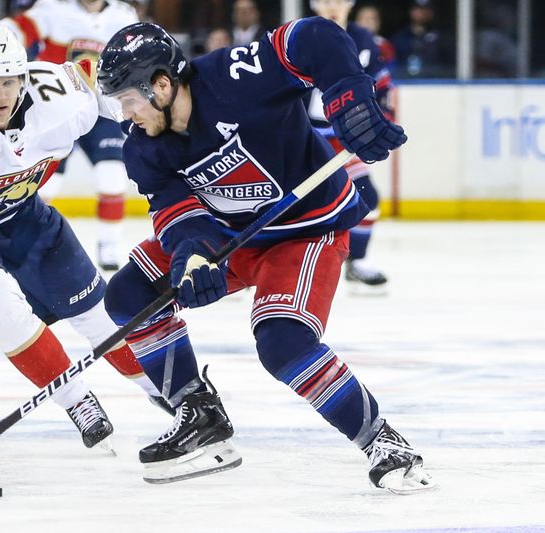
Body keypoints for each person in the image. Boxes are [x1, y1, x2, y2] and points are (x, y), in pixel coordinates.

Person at [97, 20, 436, 493]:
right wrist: (192, 252)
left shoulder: (235, 77)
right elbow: (177, 211)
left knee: (283, 344)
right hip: (231, 236)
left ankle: (383, 441)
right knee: (129, 294)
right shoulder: (143, 147)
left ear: (162, 84)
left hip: (307, 230)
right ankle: (199, 413)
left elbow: (316, 38)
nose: (125, 113)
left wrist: (347, 95)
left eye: (128, 99)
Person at [0, 24, 165, 450]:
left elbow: (105, 82)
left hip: (26, 218)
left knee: (98, 314)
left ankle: (170, 392)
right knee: (3, 309)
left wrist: (159, 110)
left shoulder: (59, 93)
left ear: (23, 77)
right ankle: (76, 400)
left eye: (7, 81)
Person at [0, 0, 140, 271]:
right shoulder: (54, 9)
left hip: (103, 109)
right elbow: (18, 29)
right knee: (45, 183)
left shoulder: (123, 15)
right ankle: (25, 241)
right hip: (56, 109)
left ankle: (109, 245)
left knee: (112, 175)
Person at [308, 0, 395, 289]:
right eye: (325, 0)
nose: (333, 6)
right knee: (279, 204)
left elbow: (382, 85)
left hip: (345, 137)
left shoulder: (362, 38)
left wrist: (381, 119)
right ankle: (245, 266)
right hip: (306, 138)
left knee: (367, 196)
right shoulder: (300, 36)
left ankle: (356, 261)